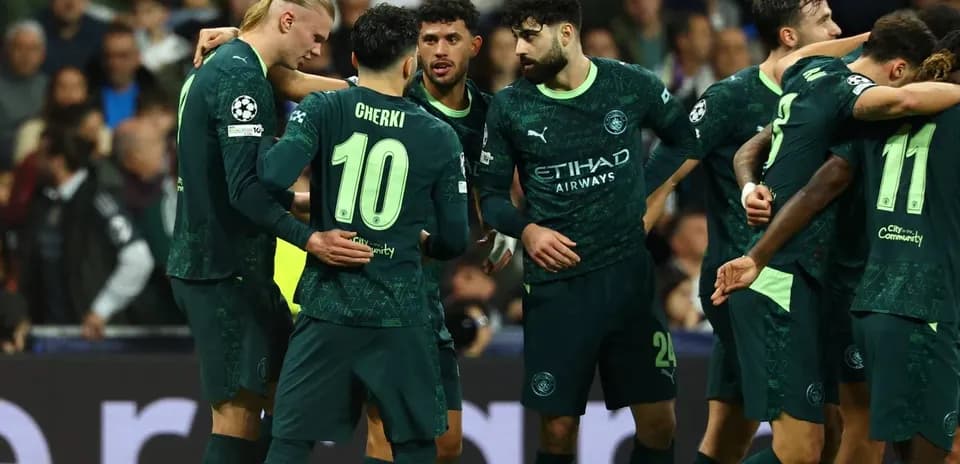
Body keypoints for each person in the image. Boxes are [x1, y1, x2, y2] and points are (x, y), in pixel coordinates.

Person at [711, 11, 960, 464]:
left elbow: (754, 146)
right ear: (900, 70)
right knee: (802, 451)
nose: (834, 32)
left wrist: (749, 185)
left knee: (852, 427)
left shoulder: (812, 73)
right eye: (824, 19)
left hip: (834, 285)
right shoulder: (860, 101)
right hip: (786, 274)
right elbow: (893, 110)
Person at [475, 0, 700, 462]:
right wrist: (527, 230)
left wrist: (649, 196)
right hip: (558, 291)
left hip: (630, 283)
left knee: (660, 423)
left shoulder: (628, 83)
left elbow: (684, 139)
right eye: (515, 36)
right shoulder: (510, 106)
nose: (519, 48)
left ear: (564, 34)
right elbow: (492, 197)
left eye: (529, 35)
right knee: (557, 430)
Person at [643, 1, 857, 462]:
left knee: (728, 437)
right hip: (756, 281)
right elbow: (658, 179)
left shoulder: (834, 91)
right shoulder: (733, 97)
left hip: (809, 282)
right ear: (789, 38)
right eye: (824, 21)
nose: (838, 29)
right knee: (811, 445)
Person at [256, 4, 469, 463]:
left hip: (328, 306)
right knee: (412, 446)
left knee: (290, 443)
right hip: (402, 315)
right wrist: (421, 239)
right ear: (411, 62)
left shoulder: (322, 107)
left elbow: (273, 177)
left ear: (353, 61)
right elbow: (455, 240)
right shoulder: (439, 136)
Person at [166, 1, 373, 463]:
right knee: (238, 419)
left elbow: (229, 176)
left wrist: (304, 206)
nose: (319, 50)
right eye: (316, 38)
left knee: (290, 401)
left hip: (235, 265)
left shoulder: (235, 63)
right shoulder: (241, 75)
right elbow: (245, 190)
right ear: (286, 20)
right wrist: (311, 240)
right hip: (223, 270)